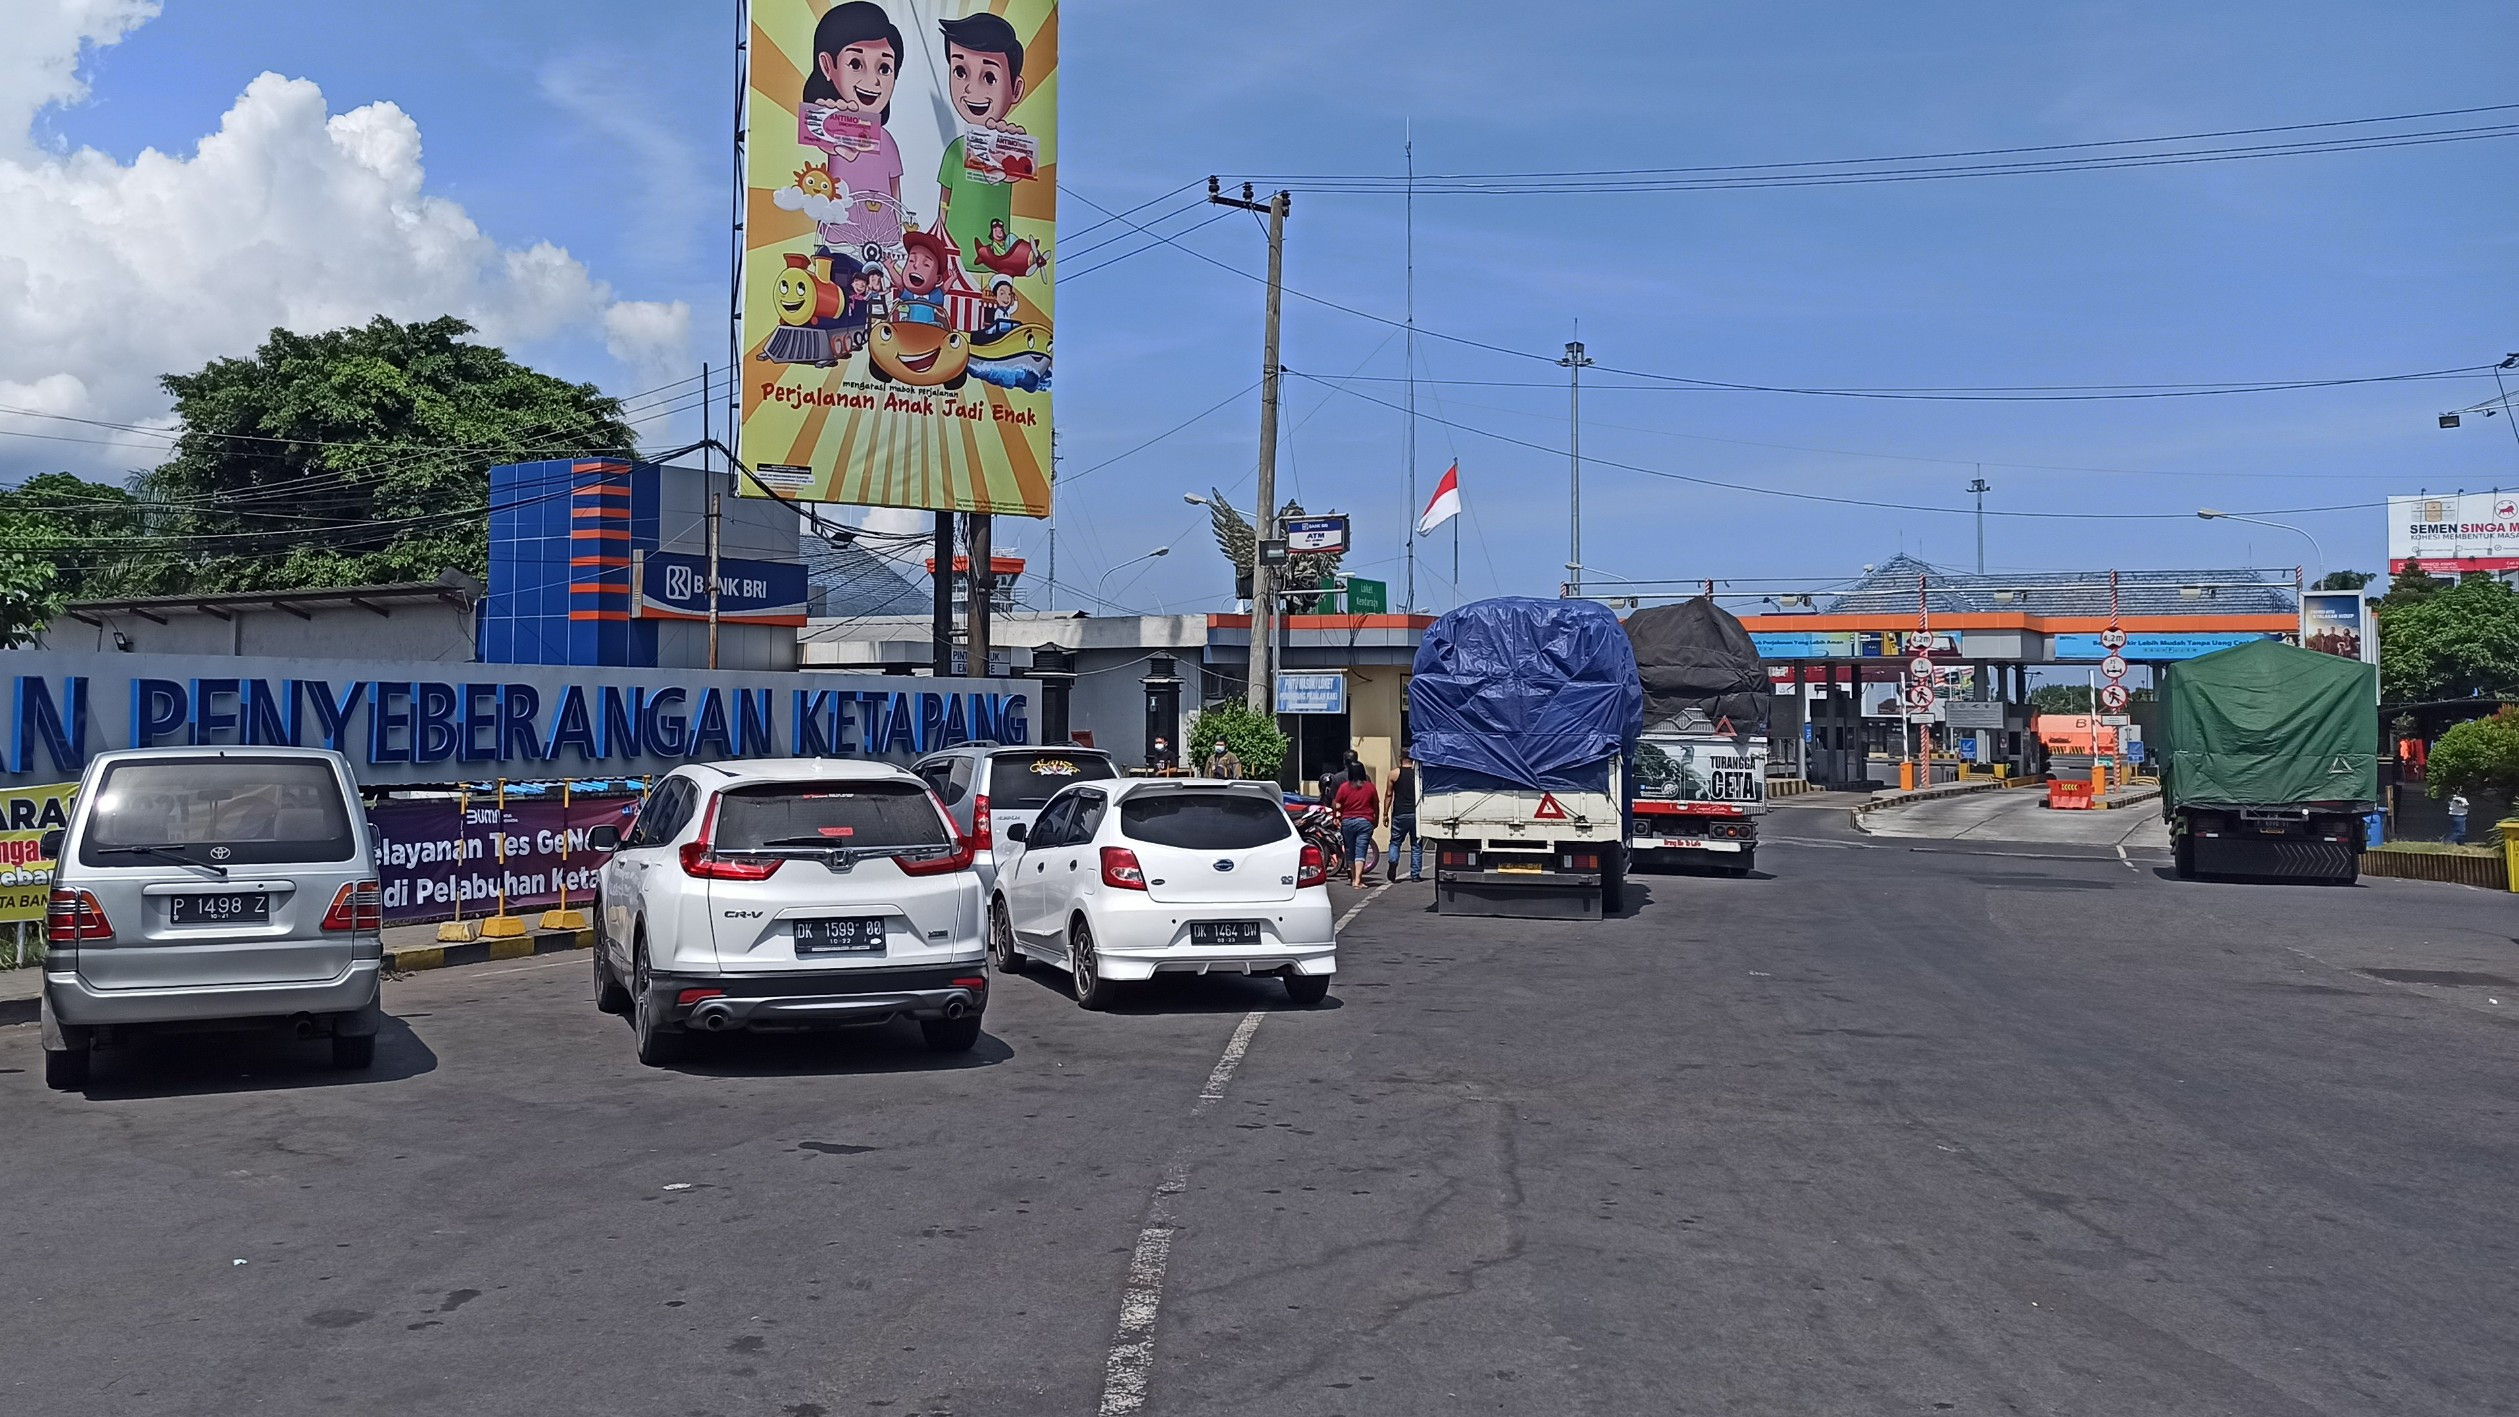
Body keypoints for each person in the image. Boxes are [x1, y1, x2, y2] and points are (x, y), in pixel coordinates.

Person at [1332, 762, 1379, 889]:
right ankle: (1358, 880)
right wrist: (1376, 820)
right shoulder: (1370, 787)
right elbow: (1375, 805)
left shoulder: (1344, 787)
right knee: (1361, 850)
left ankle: (1353, 879)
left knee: (1350, 851)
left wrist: (1336, 817)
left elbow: (1337, 804)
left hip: (1347, 822)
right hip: (1365, 821)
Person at [1385, 752, 1422, 883]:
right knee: (1416, 845)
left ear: (1401, 758)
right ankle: (1415, 874)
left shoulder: (1394, 774)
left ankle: (1393, 861)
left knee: (1395, 842)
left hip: (1399, 813)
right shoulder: (1419, 774)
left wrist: (1385, 813)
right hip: (1416, 813)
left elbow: (1389, 795)